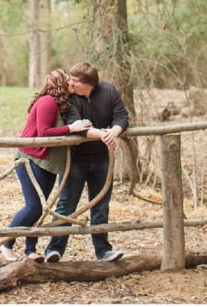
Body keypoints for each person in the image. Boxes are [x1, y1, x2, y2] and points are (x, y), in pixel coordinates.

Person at [43, 61, 131, 263]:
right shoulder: (70, 96)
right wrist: (102, 134)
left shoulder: (108, 91)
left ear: (90, 83)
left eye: (75, 80)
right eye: (70, 79)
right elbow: (75, 125)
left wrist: (114, 132)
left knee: (101, 205)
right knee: (66, 205)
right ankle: (53, 250)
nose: (70, 83)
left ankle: (103, 251)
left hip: (102, 158)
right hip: (74, 158)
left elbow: (122, 117)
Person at [1, 69, 92, 262]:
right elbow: (43, 133)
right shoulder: (47, 101)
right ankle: (6, 243)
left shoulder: (61, 104)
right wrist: (71, 129)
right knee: (32, 208)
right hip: (30, 159)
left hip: (48, 163)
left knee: (40, 208)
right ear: (60, 83)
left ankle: (30, 250)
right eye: (69, 80)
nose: (72, 83)